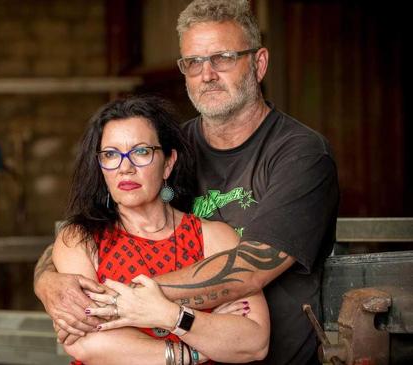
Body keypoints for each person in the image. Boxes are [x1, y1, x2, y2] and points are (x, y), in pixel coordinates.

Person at [34, 1, 339, 363]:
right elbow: (82, 236)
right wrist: (47, 282)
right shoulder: (166, 147)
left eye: (223, 57)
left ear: (259, 64)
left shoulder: (301, 155)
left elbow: (246, 270)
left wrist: (117, 301)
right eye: (193, 62)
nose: (206, 74)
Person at [52, 95, 269, 364]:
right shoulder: (80, 239)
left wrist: (168, 314)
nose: (125, 168)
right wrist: (196, 349)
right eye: (110, 155)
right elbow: (86, 342)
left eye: (141, 152)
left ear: (168, 162)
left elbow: (253, 342)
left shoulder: (215, 237)